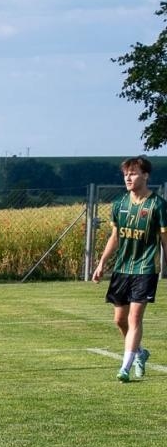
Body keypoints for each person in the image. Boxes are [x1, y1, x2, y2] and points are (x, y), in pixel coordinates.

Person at [92, 156, 165, 381]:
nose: (128, 177)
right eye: (126, 174)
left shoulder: (158, 205)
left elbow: (164, 239)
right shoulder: (119, 204)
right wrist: (102, 263)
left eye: (133, 173)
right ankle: (140, 353)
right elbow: (115, 237)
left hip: (145, 268)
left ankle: (125, 367)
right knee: (119, 320)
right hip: (123, 268)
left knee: (134, 319)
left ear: (145, 175)